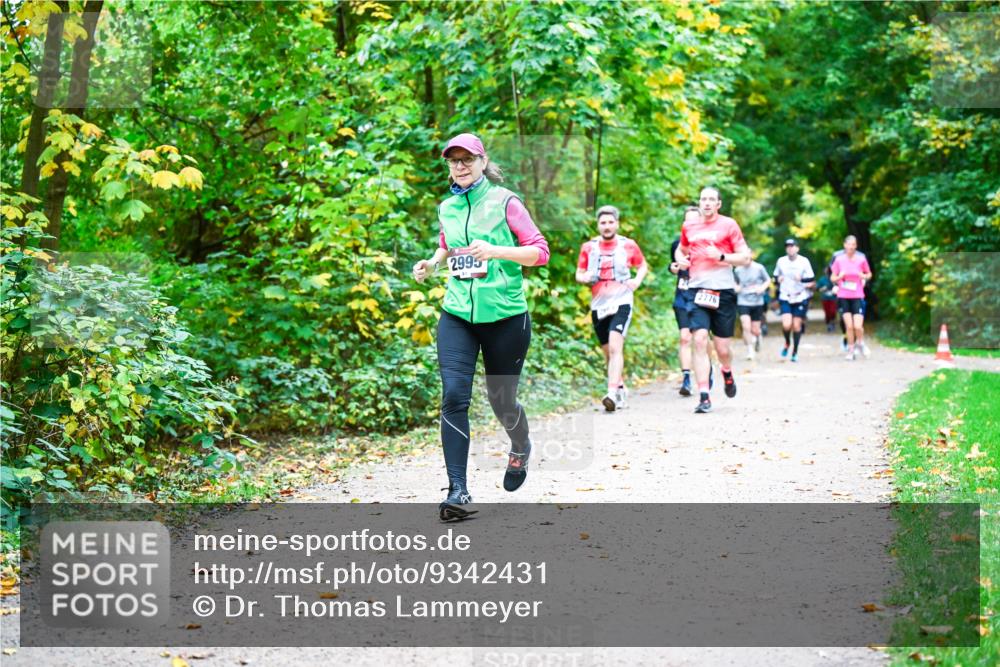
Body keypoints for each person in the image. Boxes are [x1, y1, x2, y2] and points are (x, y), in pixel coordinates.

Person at [412, 133, 550, 521]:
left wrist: (496, 250)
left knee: (501, 400)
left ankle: (520, 445)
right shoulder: (447, 207)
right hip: (457, 315)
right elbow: (447, 243)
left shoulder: (505, 201)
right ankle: (458, 490)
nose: (460, 165)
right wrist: (432, 263)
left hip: (506, 317)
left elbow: (540, 252)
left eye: (467, 158)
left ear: (482, 160)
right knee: (454, 396)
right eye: (453, 160)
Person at [674, 187, 751, 414]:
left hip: (723, 291)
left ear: (718, 204)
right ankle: (704, 396)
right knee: (698, 339)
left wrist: (722, 256)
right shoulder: (689, 226)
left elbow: (745, 257)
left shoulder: (729, 225)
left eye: (711, 200)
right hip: (697, 290)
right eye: (703, 199)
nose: (706, 203)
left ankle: (726, 371)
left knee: (722, 348)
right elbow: (680, 250)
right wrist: (682, 261)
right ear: (699, 203)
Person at [575, 205, 648, 411]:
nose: (607, 226)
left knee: (616, 347)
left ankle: (611, 393)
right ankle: (621, 387)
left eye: (610, 222)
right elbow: (578, 273)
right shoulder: (589, 247)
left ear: (617, 223)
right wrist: (585, 278)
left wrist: (637, 281)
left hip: (622, 300)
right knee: (608, 353)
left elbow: (642, 265)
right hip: (599, 305)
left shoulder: (628, 245)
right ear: (598, 225)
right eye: (603, 223)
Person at [830, 234, 872, 360]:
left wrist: (864, 276)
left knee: (858, 326)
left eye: (853, 245)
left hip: (857, 295)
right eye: (849, 244)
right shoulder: (839, 259)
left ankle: (860, 342)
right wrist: (839, 277)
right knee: (849, 326)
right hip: (843, 295)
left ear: (856, 246)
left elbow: (869, 273)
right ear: (845, 245)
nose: (851, 247)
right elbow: (832, 277)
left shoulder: (861, 259)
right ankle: (851, 349)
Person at [773, 239, 815, 363]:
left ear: (797, 248)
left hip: (800, 296)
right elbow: (775, 277)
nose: (790, 248)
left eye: (792, 246)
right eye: (788, 247)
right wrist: (778, 279)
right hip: (785, 296)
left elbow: (811, 279)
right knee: (786, 324)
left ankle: (795, 351)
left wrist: (801, 279)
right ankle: (787, 342)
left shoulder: (804, 261)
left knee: (796, 325)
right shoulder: (781, 261)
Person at [669, 210, 697, 396]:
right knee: (685, 338)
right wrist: (672, 268)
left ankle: (706, 370)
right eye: (687, 221)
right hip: (682, 297)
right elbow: (673, 266)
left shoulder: (709, 245)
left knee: (702, 339)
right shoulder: (676, 245)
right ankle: (686, 379)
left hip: (703, 297)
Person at [734, 256, 770, 360]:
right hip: (743, 301)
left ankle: (758, 336)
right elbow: (734, 283)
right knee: (746, 326)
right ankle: (750, 350)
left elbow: (767, 280)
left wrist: (762, 288)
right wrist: (736, 288)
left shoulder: (759, 268)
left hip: (757, 301)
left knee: (755, 329)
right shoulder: (737, 270)